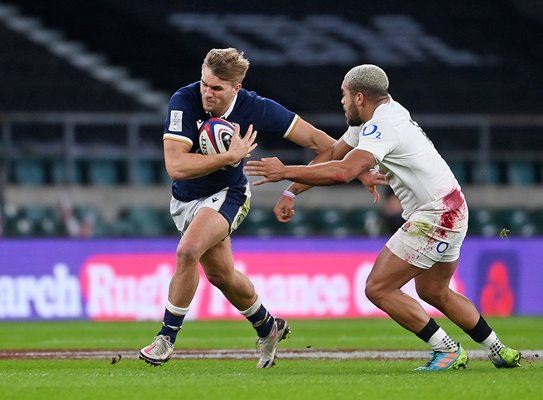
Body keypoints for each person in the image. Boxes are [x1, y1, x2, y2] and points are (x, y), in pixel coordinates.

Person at [245, 64, 522, 370]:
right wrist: (292, 192)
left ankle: (447, 350)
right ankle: (499, 350)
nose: (342, 101)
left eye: (344, 95)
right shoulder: (379, 116)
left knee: (378, 288)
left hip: (437, 213)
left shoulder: (382, 127)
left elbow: (344, 171)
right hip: (452, 206)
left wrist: (284, 171)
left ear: (359, 97)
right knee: (434, 291)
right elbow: (336, 154)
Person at [139, 48, 344, 368]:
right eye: (205, 83)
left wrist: (293, 187)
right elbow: (175, 166)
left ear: (236, 87)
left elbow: (327, 146)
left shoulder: (256, 107)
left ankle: (165, 338)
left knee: (187, 251)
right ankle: (268, 326)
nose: (207, 92)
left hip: (229, 193)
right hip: (185, 199)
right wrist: (227, 157)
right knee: (222, 275)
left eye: (216, 88)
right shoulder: (184, 99)